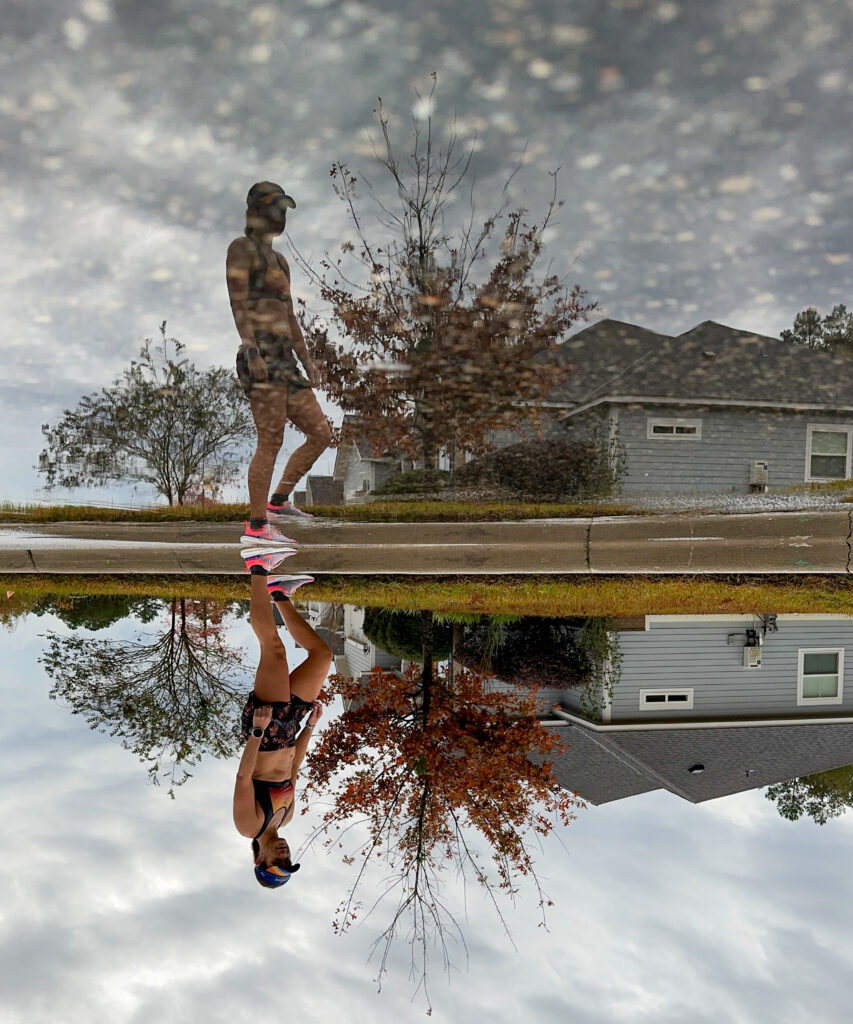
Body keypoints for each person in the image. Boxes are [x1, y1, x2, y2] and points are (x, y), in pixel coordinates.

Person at [226, 181, 332, 542]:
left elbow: (290, 317)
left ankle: (279, 501)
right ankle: (257, 528)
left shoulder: (281, 262)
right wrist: (250, 347)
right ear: (255, 211)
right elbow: (237, 301)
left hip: (286, 359)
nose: (280, 217)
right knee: (270, 439)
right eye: (274, 209)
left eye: (283, 211)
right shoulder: (242, 249)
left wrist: (308, 361)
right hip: (261, 355)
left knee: (321, 432)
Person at [232, 550, 331, 888]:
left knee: (273, 648)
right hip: (289, 732)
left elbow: (244, 776)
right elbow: (293, 766)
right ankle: (279, 592)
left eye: (278, 860)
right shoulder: (285, 817)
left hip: (267, 730)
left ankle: (257, 567)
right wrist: (311, 726)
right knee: (322, 655)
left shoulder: (249, 825)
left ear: (259, 859)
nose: (285, 854)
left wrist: (258, 731)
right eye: (289, 859)